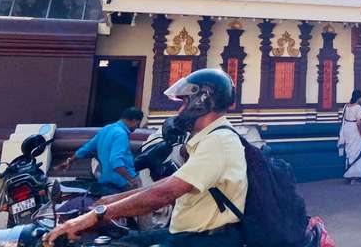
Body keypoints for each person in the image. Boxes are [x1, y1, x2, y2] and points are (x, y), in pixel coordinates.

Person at [44, 69, 247, 247]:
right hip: (186, 235)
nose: (180, 110)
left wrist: (98, 213)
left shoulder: (219, 141)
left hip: (204, 240)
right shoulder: (208, 139)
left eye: (184, 102)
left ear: (201, 101)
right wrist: (107, 202)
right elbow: (168, 182)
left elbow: (164, 193)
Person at [57, 107, 144, 196]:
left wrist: (70, 161)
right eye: (137, 124)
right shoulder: (121, 134)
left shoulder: (106, 129)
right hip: (122, 183)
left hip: (105, 180)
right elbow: (115, 161)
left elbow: (86, 148)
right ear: (134, 120)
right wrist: (131, 179)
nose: (136, 127)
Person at [338, 89, 361, 183]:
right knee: (356, 151)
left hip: (346, 129)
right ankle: (355, 175)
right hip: (354, 130)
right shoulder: (358, 107)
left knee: (350, 152)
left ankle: (351, 174)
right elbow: (358, 123)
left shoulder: (346, 106)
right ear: (359, 97)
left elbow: (343, 119)